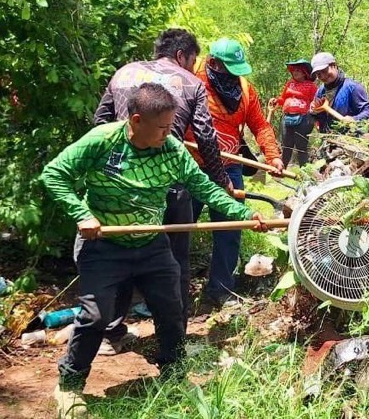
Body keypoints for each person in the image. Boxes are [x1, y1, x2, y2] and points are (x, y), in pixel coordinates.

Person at [42, 83, 268, 418]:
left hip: (151, 244)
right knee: (94, 316)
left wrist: (244, 214)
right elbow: (53, 175)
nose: (169, 133)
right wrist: (82, 214)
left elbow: (203, 187)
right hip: (103, 245)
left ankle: (175, 376)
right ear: (136, 120)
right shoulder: (102, 141)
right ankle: (70, 386)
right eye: (162, 127)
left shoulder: (172, 151)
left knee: (171, 309)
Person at [93, 28, 230, 352]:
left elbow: (101, 124)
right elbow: (206, 138)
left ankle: (111, 333)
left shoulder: (124, 73)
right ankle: (174, 333)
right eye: (193, 61)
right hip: (167, 185)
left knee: (120, 251)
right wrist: (221, 181)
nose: (194, 68)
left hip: (119, 184)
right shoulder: (189, 82)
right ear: (183, 55)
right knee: (174, 259)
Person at [185, 37, 283, 305]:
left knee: (231, 229)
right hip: (189, 167)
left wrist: (272, 156)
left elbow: (260, 125)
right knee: (179, 230)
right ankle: (171, 292)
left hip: (229, 166)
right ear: (213, 63)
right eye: (229, 69)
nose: (233, 77)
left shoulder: (245, 90)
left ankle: (220, 289)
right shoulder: (191, 80)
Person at [309, 52, 369, 132]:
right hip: (328, 139)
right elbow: (315, 116)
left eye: (324, 71)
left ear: (334, 65)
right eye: (318, 74)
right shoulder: (320, 91)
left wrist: (354, 119)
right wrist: (314, 113)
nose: (323, 76)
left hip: (350, 139)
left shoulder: (352, 87)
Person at [268, 59, 318, 166]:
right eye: (294, 70)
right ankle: (281, 169)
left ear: (304, 73)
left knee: (301, 146)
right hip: (287, 117)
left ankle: (304, 171)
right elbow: (283, 99)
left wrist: (317, 121)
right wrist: (276, 100)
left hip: (304, 118)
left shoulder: (311, 86)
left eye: (298, 70)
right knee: (286, 145)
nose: (295, 72)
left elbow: (316, 103)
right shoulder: (290, 84)